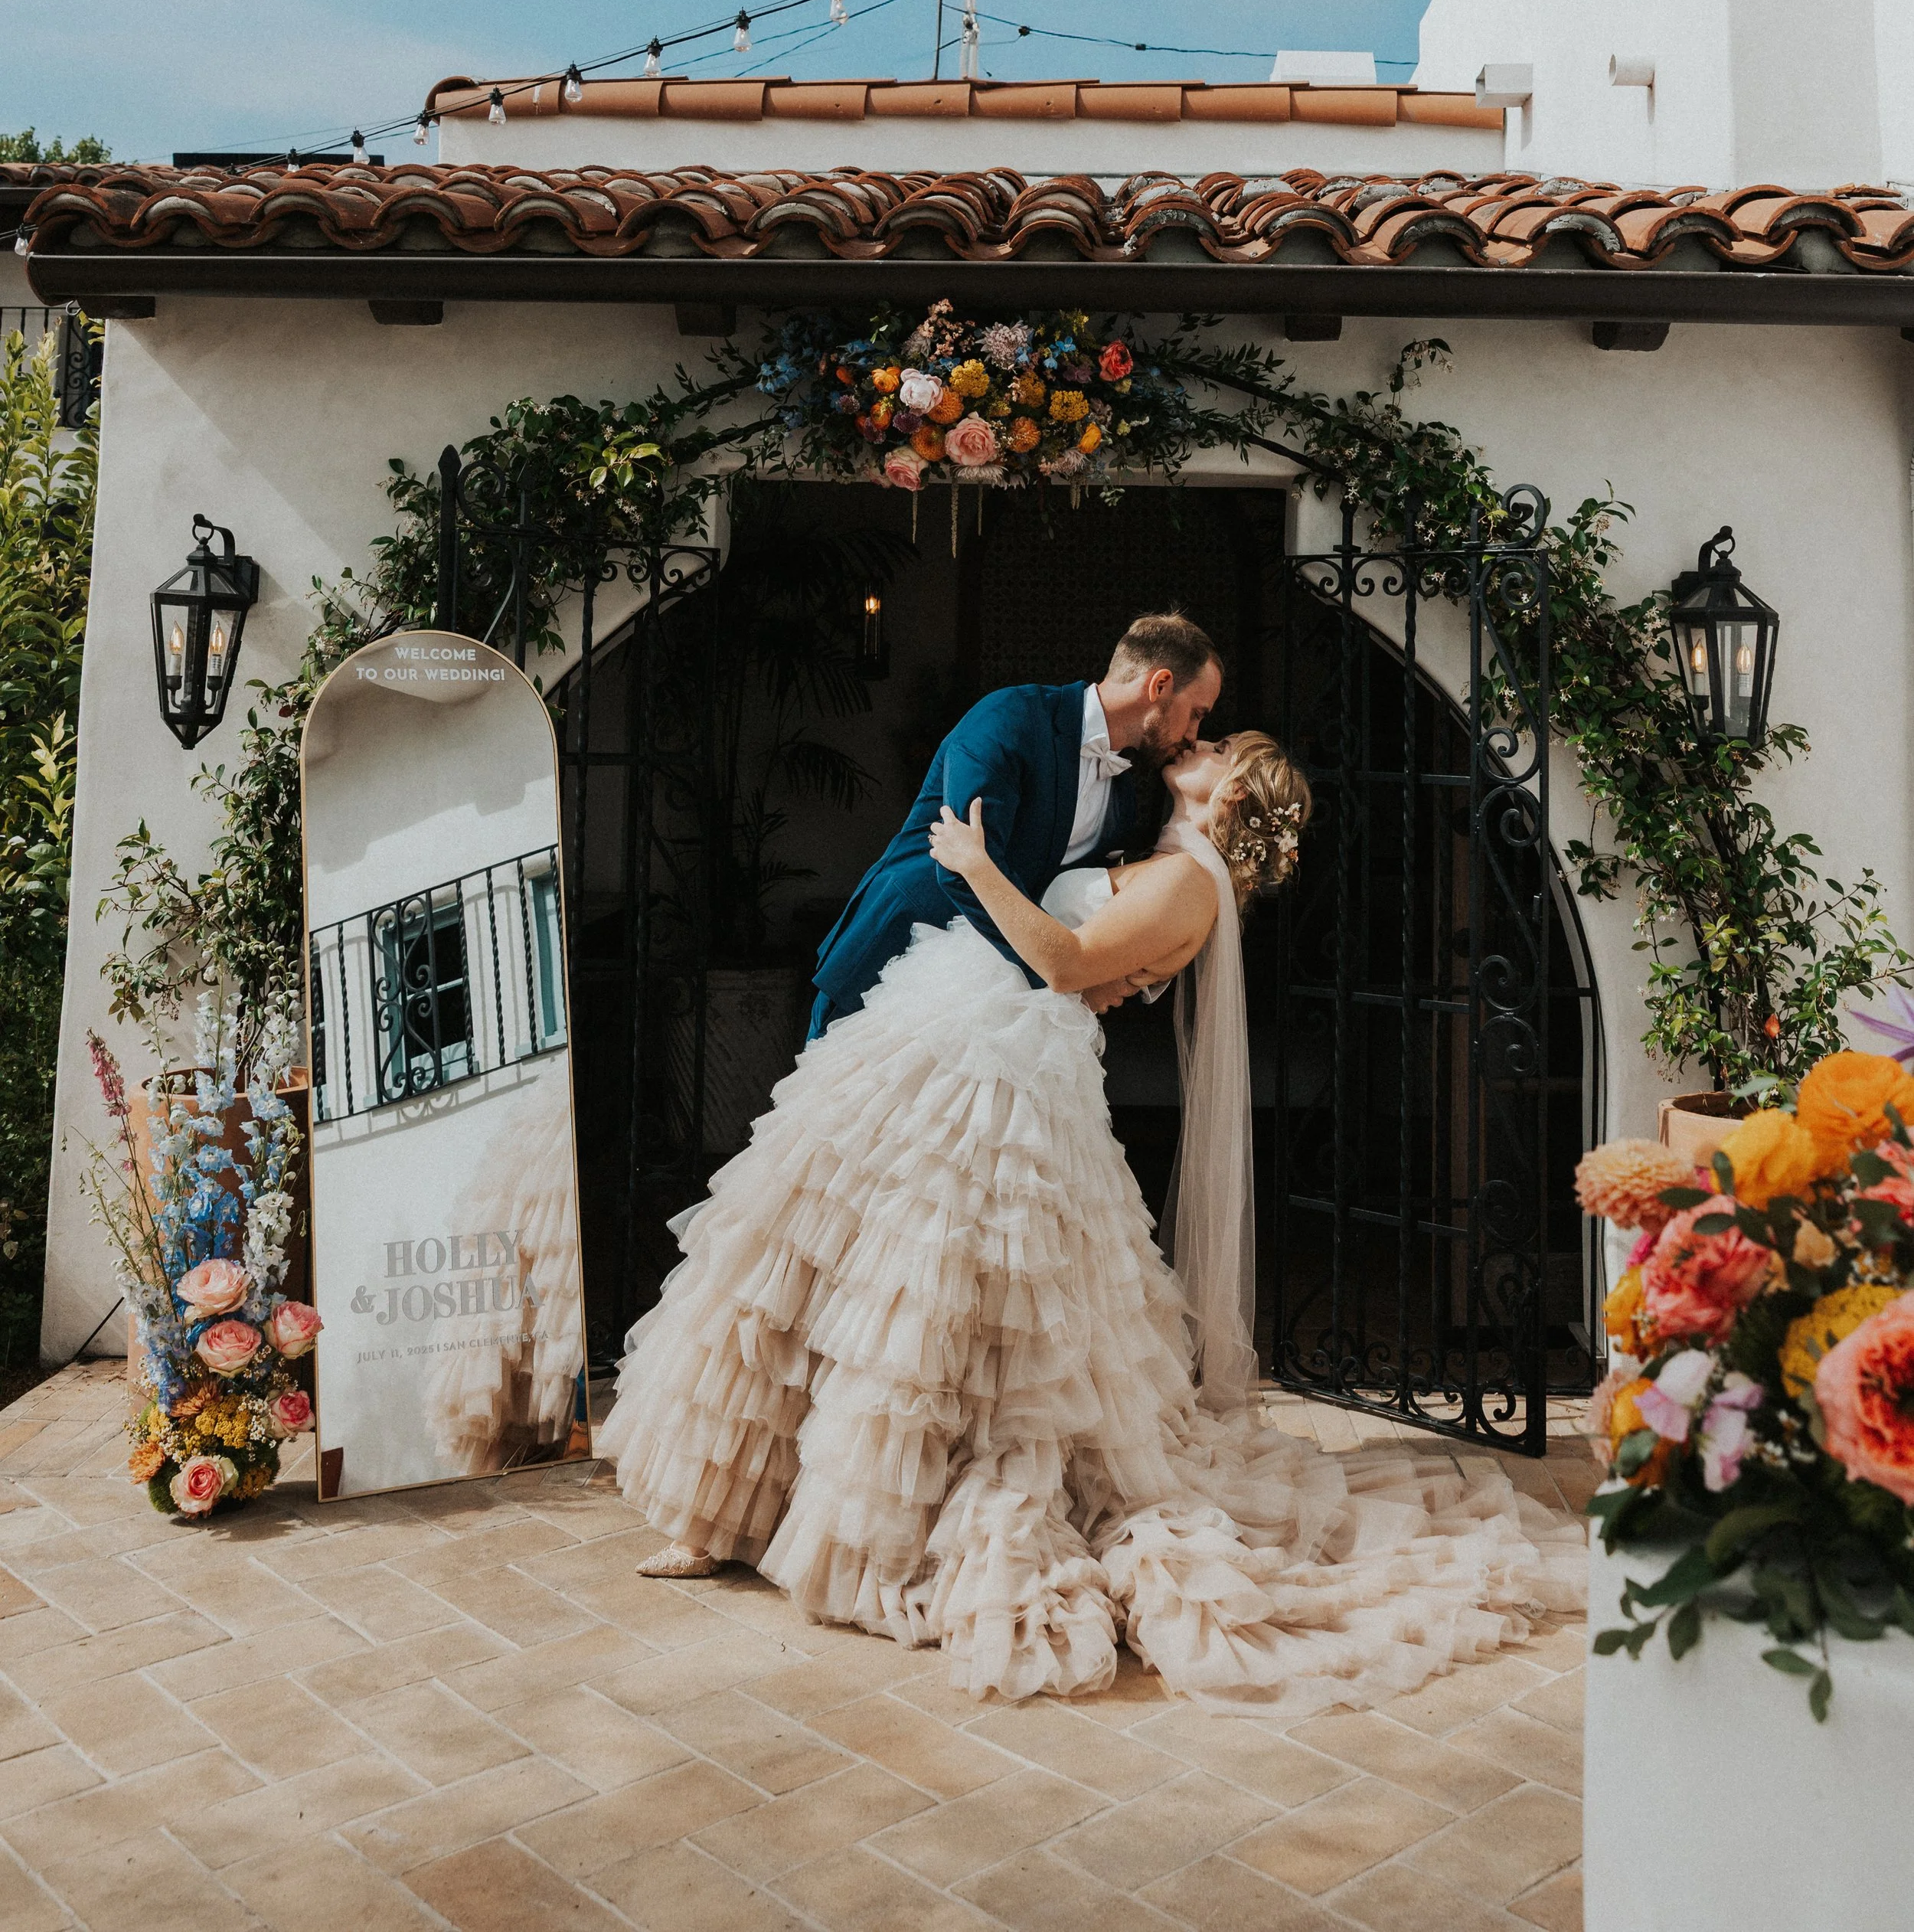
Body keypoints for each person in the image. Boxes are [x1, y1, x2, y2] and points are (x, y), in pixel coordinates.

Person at [595, 686, 1584, 1712]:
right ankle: (737, 1515)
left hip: (1005, 1080)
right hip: (955, 1037)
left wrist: (980, 869)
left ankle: (864, 1525)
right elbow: (1095, 959)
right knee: (821, 1266)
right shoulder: (1157, 849)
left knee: (932, 1316)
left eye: (1215, 743)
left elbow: (1066, 959)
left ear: (1234, 788)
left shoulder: (1189, 882)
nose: (1194, 740)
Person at [807, 611, 1223, 1031]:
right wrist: (1064, 982)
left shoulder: (1123, 794)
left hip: (981, 1006)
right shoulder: (1012, 718)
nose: (1194, 733)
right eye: (1197, 713)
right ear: (1161, 685)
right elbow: (961, 866)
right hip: (893, 958)